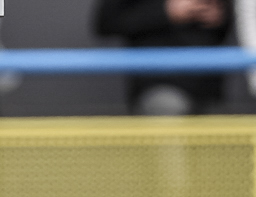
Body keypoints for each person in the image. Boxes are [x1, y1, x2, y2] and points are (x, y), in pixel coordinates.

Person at [93, 0, 226, 117]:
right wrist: (166, 11)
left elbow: (226, 23)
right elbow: (106, 22)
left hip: (209, 87)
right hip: (159, 84)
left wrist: (219, 16)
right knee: (169, 110)